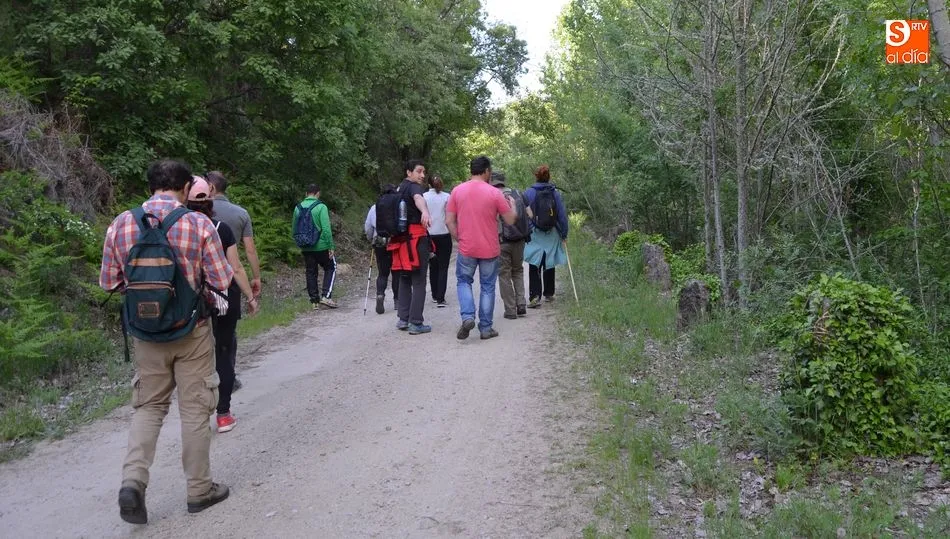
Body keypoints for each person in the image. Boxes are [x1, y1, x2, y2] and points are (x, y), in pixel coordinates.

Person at [100, 160, 232, 524]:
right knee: (194, 408)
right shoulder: (198, 223)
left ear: (151, 185)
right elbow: (221, 278)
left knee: (149, 408)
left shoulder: (122, 223)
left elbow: (109, 282)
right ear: (187, 186)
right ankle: (199, 490)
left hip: (145, 334)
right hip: (191, 331)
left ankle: (133, 481)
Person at [186, 177, 259, 434]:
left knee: (195, 355)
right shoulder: (221, 228)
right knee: (225, 350)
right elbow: (236, 268)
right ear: (210, 200)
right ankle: (224, 414)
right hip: (224, 297)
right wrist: (250, 297)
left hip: (191, 300)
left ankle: (196, 416)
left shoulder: (176, 228)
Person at [445, 156, 517, 340]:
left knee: (463, 281)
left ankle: (468, 317)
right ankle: (485, 328)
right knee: (487, 287)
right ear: (487, 171)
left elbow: (449, 221)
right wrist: (514, 207)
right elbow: (510, 220)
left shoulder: (457, 191)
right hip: (489, 249)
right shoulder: (494, 193)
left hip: (467, 248)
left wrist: (459, 238)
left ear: (471, 171)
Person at [206, 170, 259, 390]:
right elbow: (249, 250)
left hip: (201, 281)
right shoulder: (240, 214)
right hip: (229, 281)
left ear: (210, 187)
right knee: (228, 333)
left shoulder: (192, 213)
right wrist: (256, 278)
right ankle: (229, 375)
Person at [387, 159, 432, 335]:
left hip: (400, 241)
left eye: (423, 172)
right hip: (415, 240)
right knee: (419, 280)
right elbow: (418, 198)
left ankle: (403, 319)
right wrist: (425, 212)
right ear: (409, 172)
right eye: (419, 171)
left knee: (405, 278)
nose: (422, 175)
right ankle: (416, 323)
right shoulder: (414, 188)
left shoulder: (399, 188)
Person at [523, 164, 569, 307]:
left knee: (534, 262)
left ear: (536, 176)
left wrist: (526, 230)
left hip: (534, 232)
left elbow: (524, 213)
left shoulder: (528, 192)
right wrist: (564, 233)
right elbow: (561, 215)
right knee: (549, 261)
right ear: (549, 177)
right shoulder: (554, 193)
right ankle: (549, 293)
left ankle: (535, 296)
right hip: (551, 232)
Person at [490, 172, 530, 320]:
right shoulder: (517, 193)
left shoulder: (492, 196)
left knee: (504, 274)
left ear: (492, 182)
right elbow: (530, 214)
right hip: (519, 239)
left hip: (502, 241)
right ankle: (521, 304)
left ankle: (510, 310)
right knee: (518, 270)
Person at [294, 184, 337, 309]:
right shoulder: (321, 207)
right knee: (331, 267)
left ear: (306, 194)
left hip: (306, 246)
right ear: (318, 193)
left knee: (311, 272)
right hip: (321, 246)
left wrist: (300, 242)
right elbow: (326, 229)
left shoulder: (297, 208)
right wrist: (330, 246)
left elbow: (294, 229)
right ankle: (326, 296)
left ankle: (314, 302)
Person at [364, 185, 400, 314]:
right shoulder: (397, 205)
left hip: (379, 243)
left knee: (383, 273)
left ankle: (380, 295)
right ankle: (397, 301)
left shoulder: (375, 207)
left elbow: (368, 227)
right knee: (396, 273)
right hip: (395, 242)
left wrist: (371, 239)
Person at [423, 175, 451, 307]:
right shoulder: (447, 197)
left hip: (429, 235)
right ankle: (441, 298)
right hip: (444, 234)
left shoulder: (423, 197)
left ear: (428, 185)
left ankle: (434, 294)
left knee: (432, 265)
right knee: (443, 267)